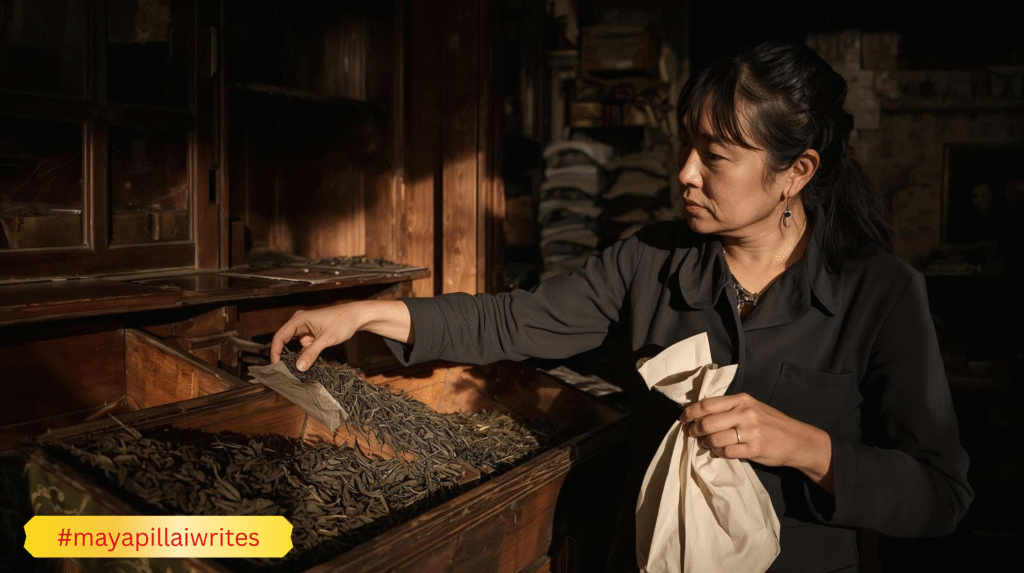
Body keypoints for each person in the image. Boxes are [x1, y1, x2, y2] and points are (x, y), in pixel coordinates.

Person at [271, 42, 972, 573]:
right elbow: (513, 320)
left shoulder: (880, 293)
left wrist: (806, 446)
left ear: (797, 172)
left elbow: (940, 493)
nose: (686, 173)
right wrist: (366, 313)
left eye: (716, 156)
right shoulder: (649, 263)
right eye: (685, 145)